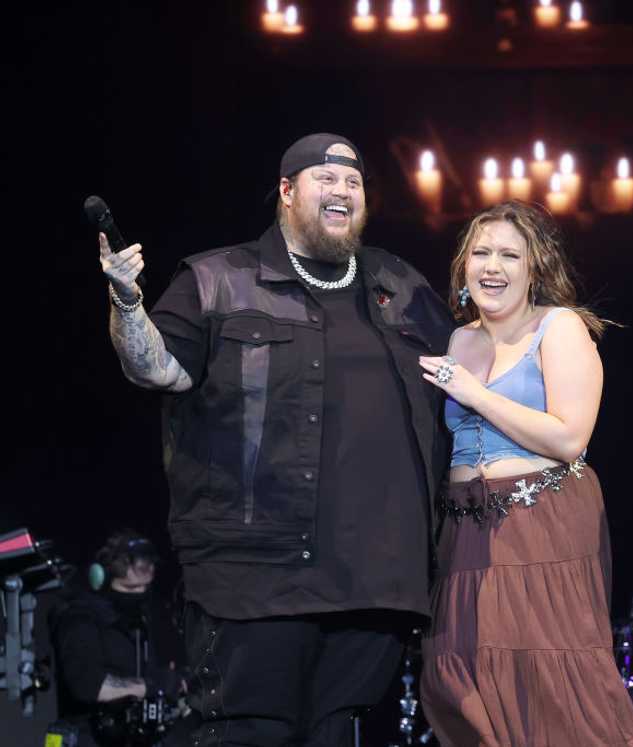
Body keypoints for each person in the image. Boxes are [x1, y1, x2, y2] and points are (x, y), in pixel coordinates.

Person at [97, 133, 453, 746]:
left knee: (340, 735)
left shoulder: (401, 285)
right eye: (326, 179)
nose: (342, 190)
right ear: (287, 192)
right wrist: (127, 302)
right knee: (250, 734)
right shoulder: (218, 278)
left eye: (354, 182)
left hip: (374, 580)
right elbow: (155, 368)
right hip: (253, 576)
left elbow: (468, 377)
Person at [417, 201, 633, 746]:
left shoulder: (558, 327)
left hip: (539, 523)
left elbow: (569, 438)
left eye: (509, 255)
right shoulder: (459, 339)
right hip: (465, 532)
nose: (492, 266)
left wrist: (472, 393)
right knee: (462, 678)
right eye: (481, 252)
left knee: (550, 684)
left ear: (534, 268)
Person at [49, 530, 187, 747]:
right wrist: (152, 687)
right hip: (87, 738)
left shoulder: (149, 614)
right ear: (102, 577)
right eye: (131, 588)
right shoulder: (78, 616)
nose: (140, 594)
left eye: (145, 588)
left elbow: (171, 672)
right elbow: (88, 685)